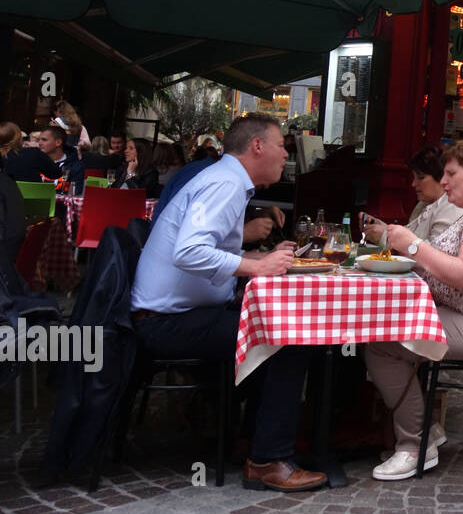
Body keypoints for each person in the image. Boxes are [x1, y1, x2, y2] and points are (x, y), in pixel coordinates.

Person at [129, 113, 325, 492]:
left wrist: (259, 261)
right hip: (165, 322)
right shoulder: (225, 183)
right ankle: (267, 460)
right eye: (281, 146)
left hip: (177, 313)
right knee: (291, 338)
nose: (286, 154)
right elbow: (189, 251)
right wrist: (257, 266)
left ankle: (250, 441)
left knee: (280, 327)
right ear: (257, 147)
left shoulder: (226, 180)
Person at [364, 139, 463, 481]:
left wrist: (412, 245)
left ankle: (415, 445)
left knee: (382, 343)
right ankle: (425, 430)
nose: (444, 181)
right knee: (386, 334)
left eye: (451, 173)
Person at [362, 144, 463, 246]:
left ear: (441, 178)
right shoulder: (423, 204)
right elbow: (409, 235)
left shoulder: (452, 208)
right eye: (414, 177)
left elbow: (435, 253)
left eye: (420, 177)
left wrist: (385, 237)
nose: (413, 184)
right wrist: (381, 228)